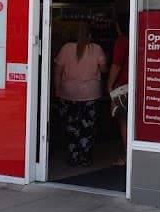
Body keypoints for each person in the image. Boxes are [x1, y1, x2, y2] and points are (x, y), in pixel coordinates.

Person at [53, 22, 107, 166]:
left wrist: (57, 91)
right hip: (91, 94)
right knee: (88, 127)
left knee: (71, 127)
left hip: (68, 93)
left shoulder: (66, 49)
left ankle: (73, 156)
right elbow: (103, 70)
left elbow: (57, 73)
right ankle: (85, 157)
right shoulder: (97, 49)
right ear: (90, 35)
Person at [107, 19, 129, 166]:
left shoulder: (122, 41)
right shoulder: (140, 35)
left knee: (125, 121)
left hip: (124, 87)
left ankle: (128, 156)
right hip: (140, 85)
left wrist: (109, 86)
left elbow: (116, 65)